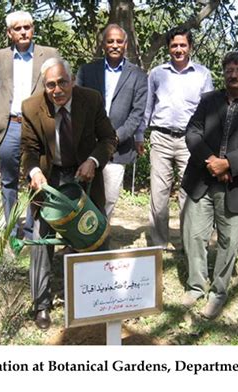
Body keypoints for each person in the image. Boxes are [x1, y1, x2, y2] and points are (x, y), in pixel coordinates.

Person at [20, 58, 117, 330]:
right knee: (41, 238)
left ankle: (97, 298)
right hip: (49, 180)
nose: (57, 89)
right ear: (44, 86)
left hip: (85, 176)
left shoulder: (91, 99)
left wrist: (93, 162)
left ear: (71, 80)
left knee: (94, 235)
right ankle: (41, 305)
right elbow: (28, 149)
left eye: (63, 82)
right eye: (50, 85)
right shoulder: (31, 107)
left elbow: (109, 139)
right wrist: (33, 173)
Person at [181, 52, 238, 318]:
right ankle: (195, 286)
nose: (234, 74)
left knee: (228, 242)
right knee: (194, 236)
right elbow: (193, 132)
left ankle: (218, 292)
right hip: (201, 180)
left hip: (237, 185)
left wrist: (228, 164)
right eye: (229, 69)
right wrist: (211, 160)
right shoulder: (208, 101)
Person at [0, 10, 59, 239]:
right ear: (9, 33)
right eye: (18, 28)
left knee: (36, 179)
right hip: (9, 127)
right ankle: (11, 228)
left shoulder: (50, 54)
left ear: (33, 29)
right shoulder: (0, 57)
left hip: (38, 129)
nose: (24, 31)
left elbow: (61, 89)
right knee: (8, 181)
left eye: (27, 27)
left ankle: (30, 230)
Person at [143, 27, 213, 250]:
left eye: (183, 45)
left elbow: (209, 110)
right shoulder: (157, 73)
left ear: (190, 47)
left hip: (190, 141)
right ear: (168, 48)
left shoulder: (203, 74)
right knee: (158, 193)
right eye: (174, 45)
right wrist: (139, 135)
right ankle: (159, 243)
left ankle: (187, 243)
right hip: (161, 138)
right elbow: (147, 107)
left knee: (189, 193)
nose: (179, 49)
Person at [76, 23, 147, 220]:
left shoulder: (139, 76)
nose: (114, 45)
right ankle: (77, 242)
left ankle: (99, 241)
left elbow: (137, 114)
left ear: (126, 44)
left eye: (118, 41)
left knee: (108, 198)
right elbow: (75, 106)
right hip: (86, 147)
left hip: (118, 149)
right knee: (82, 197)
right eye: (110, 41)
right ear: (103, 44)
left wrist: (113, 139)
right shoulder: (86, 71)